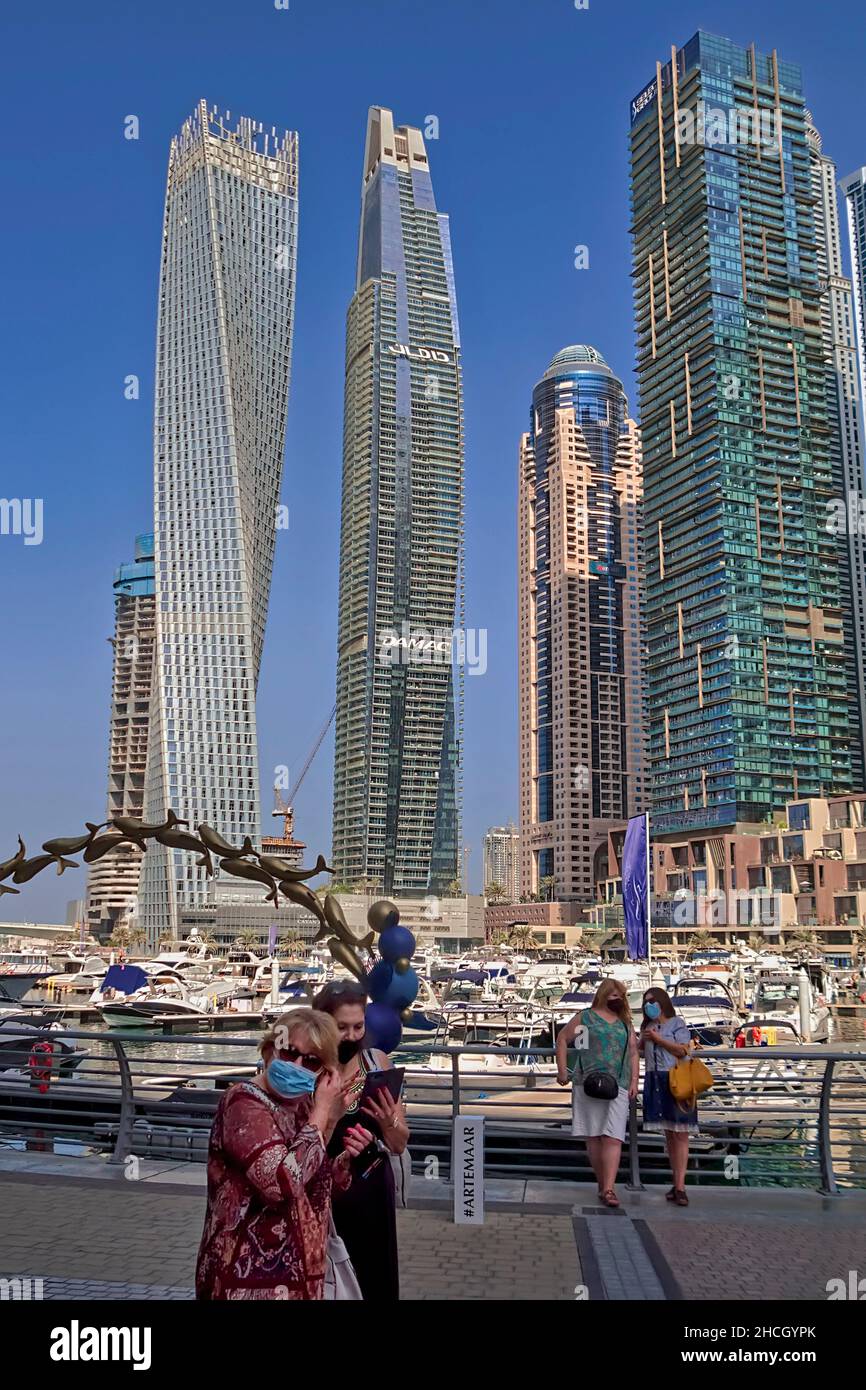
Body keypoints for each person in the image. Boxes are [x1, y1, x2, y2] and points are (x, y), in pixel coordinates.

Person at [195, 1008, 366, 1300]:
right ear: (268, 1050)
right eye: (288, 1052)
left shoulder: (300, 1107)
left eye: (311, 1060)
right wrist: (323, 1112)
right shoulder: (243, 1103)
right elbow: (281, 1185)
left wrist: (341, 1159)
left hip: (297, 1279)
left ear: (324, 1071)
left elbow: (309, 1184)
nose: (297, 1064)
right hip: (245, 1279)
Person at [313, 980, 409, 1301]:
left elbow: (398, 1143)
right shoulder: (309, 1071)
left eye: (359, 1026)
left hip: (372, 1191)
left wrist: (388, 1121)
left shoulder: (377, 1063)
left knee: (374, 1279)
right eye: (342, 1027)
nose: (352, 1036)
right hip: (325, 1194)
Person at [556, 978, 638, 1208]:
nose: (618, 999)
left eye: (621, 996)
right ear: (603, 995)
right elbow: (563, 1038)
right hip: (586, 1082)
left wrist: (634, 1080)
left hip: (618, 1084)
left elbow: (633, 1052)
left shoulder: (625, 1022)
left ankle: (609, 1189)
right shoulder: (586, 1017)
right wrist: (563, 1070)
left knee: (613, 1136)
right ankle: (602, 1185)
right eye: (614, 995)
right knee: (593, 1136)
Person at [638, 986, 695, 1207]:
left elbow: (682, 1050)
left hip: (676, 1079)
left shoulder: (677, 1023)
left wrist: (658, 1039)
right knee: (669, 1134)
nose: (649, 1005)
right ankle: (675, 1182)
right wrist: (643, 1041)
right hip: (655, 1080)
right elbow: (642, 1051)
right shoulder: (648, 1026)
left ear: (662, 1001)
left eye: (652, 1001)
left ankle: (681, 1186)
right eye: (645, 1002)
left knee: (680, 1132)